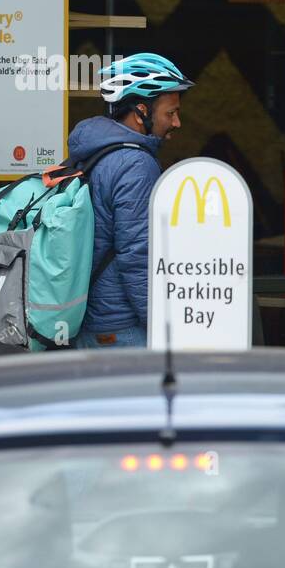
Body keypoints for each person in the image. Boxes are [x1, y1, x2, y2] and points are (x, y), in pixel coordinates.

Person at [69, 53, 193, 349]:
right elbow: (138, 257)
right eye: (170, 112)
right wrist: (163, 327)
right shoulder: (136, 164)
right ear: (141, 111)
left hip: (93, 323)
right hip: (121, 329)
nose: (177, 122)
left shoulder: (94, 152)